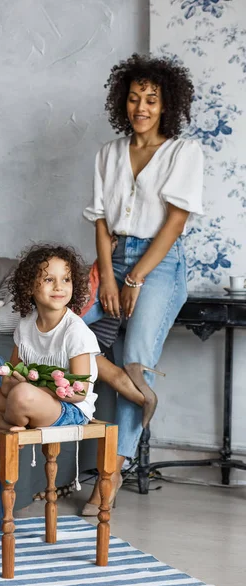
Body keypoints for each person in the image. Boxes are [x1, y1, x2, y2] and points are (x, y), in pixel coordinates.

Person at [81, 53, 204, 515]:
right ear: (122, 102)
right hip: (111, 259)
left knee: (134, 361)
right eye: (134, 98)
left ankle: (111, 476)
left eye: (151, 99)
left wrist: (134, 277)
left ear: (166, 103)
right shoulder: (107, 154)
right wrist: (109, 274)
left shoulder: (183, 153)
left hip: (161, 264)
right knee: (69, 339)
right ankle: (134, 391)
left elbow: (174, 222)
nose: (141, 107)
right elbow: (98, 221)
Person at [0, 244, 102, 429]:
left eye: (66, 279)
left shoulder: (75, 330)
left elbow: (80, 391)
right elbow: (7, 384)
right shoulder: (25, 325)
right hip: (24, 398)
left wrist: (31, 389)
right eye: (49, 279)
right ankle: (3, 424)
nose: (59, 287)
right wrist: (14, 383)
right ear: (29, 287)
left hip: (68, 408)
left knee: (21, 394)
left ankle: (11, 418)